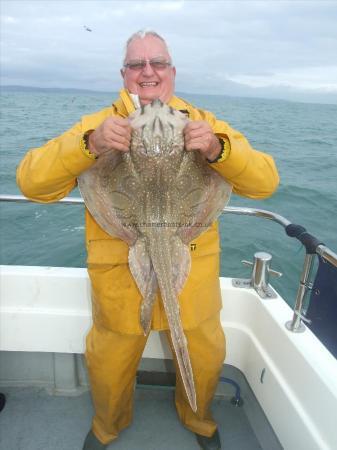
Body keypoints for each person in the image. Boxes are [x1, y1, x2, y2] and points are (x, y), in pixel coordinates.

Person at [17, 30, 279, 450]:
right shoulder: (98, 125)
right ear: (124, 74)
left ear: (172, 71)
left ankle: (200, 421)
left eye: (157, 62)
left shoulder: (204, 124)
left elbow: (265, 182)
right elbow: (31, 183)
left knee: (204, 357)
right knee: (109, 364)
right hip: (120, 278)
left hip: (190, 275)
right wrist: (91, 144)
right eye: (137, 64)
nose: (148, 71)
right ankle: (107, 426)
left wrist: (217, 149)